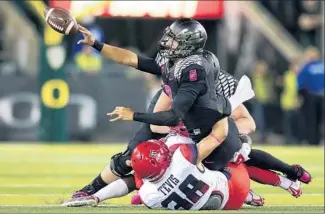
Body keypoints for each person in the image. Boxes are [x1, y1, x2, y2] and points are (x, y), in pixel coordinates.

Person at [67, 20, 310, 202]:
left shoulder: (215, 82)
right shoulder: (174, 68)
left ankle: (254, 185)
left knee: (237, 151)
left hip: (200, 133)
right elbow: (133, 64)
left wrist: (213, 134)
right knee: (132, 158)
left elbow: (248, 123)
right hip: (171, 123)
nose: (167, 42)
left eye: (173, 39)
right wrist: (97, 44)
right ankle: (90, 191)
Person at [62, 133, 303, 209]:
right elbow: (216, 137)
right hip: (233, 188)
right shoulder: (182, 156)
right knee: (236, 154)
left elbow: (130, 184)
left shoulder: (149, 196)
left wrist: (97, 196)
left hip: (223, 204)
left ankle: (254, 194)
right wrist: (240, 139)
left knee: (136, 192)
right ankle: (286, 183)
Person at [298, 47, 324, 146]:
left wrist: (300, 94)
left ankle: (313, 141)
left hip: (311, 97)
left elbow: (301, 82)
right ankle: (319, 140)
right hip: (322, 97)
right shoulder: (322, 66)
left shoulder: (307, 67)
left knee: (311, 120)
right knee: (320, 121)